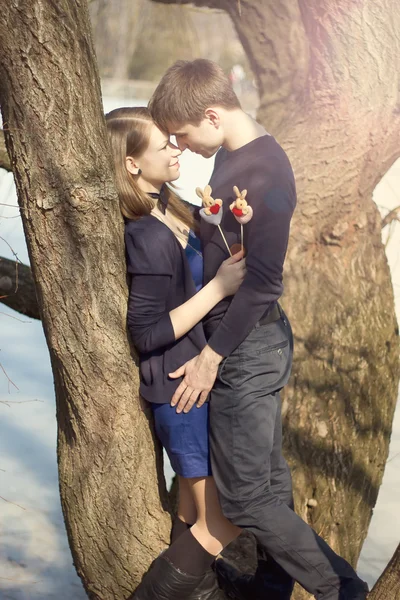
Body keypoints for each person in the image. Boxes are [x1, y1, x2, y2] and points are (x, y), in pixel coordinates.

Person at [148, 59, 369, 600]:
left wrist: (211, 357)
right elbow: (227, 241)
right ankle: (270, 589)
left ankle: (342, 589)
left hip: (245, 348)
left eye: (183, 133)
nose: (182, 145)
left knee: (245, 498)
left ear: (212, 114)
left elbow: (265, 282)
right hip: (249, 344)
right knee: (267, 485)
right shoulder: (232, 155)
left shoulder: (265, 173)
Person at [105, 107, 245, 599]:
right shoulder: (144, 232)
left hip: (190, 386)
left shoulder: (172, 207)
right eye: (163, 144)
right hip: (182, 392)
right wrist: (220, 287)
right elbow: (144, 331)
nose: (176, 148)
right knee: (223, 525)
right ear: (131, 164)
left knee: (192, 514)